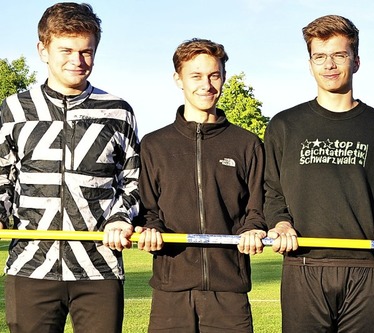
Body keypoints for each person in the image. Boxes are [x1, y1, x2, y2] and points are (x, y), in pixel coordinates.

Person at [0, 3, 140, 332]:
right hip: (30, 268)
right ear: (43, 50)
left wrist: (121, 217)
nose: (77, 61)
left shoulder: (117, 111)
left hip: (99, 270)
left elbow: (135, 181)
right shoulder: (13, 110)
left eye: (86, 51)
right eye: (66, 50)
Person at [263, 14, 374, 332]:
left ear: (355, 61)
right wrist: (281, 222)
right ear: (310, 62)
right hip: (303, 264)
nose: (329, 65)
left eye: (339, 55)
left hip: (365, 266)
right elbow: (272, 190)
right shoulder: (284, 125)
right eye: (320, 56)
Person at [134, 38, 267, 332]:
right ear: (178, 79)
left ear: (223, 77)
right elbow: (148, 208)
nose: (206, 85)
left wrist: (253, 228)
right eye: (195, 76)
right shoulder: (154, 145)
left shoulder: (247, 144)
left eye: (214, 75)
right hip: (171, 289)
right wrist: (151, 228)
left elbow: (257, 207)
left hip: (229, 291)